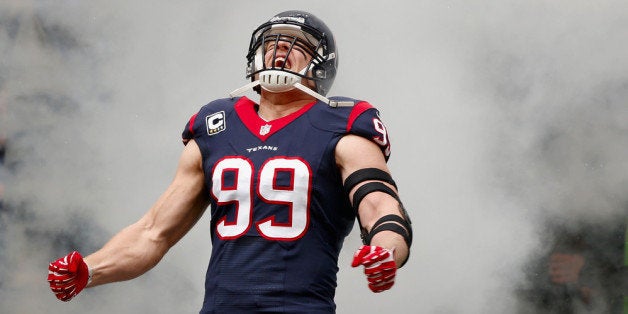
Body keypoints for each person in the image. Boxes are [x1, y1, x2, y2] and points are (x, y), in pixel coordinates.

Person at [47, 10, 412, 313]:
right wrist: (90, 270)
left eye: (296, 45)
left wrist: (384, 250)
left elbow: (381, 205)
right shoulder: (217, 125)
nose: (280, 51)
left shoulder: (343, 123)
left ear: (320, 65)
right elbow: (153, 232)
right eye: (272, 43)